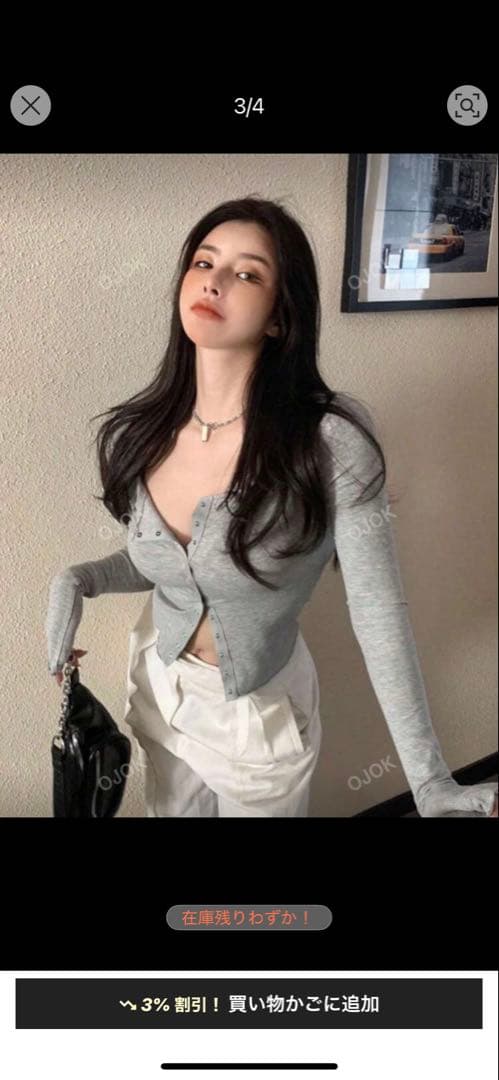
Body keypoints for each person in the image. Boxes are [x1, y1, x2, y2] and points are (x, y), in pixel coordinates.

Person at [45, 196, 498, 819]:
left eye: (248, 273)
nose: (215, 281)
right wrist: (80, 579)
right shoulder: (140, 432)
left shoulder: (330, 442)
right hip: (159, 688)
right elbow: (171, 564)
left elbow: (378, 613)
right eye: (204, 262)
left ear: (280, 318)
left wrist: (429, 782)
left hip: (256, 722)